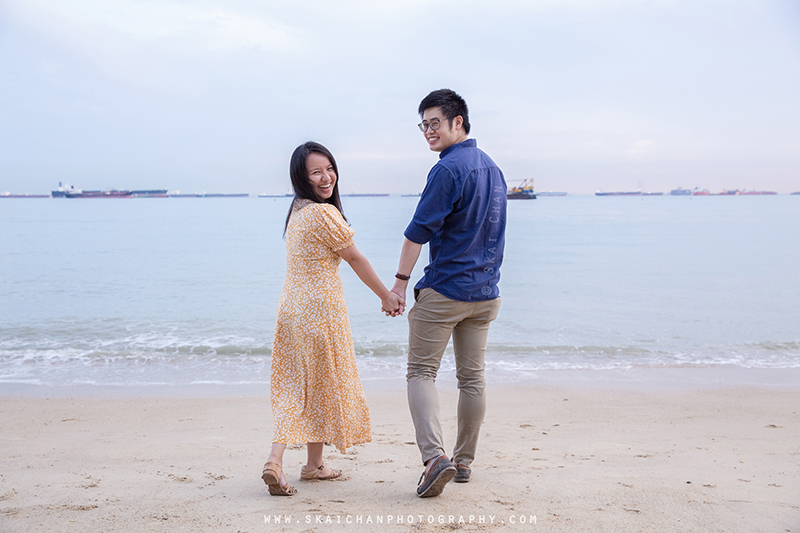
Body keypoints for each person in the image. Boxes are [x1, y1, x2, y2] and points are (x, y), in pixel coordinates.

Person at [261, 141, 405, 496]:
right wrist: (387, 295)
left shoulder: (297, 210)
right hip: (320, 311)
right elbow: (355, 259)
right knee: (321, 383)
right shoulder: (324, 214)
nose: (326, 177)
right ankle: (280, 460)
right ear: (302, 177)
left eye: (329, 168)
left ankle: (307, 465)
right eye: (316, 172)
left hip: (291, 308)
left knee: (299, 384)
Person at [390, 89, 507, 498]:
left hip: (446, 290)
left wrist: (400, 283)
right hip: (486, 293)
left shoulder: (448, 170)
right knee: (472, 379)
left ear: (459, 122)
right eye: (424, 125)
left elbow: (416, 233)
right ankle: (463, 462)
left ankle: (434, 458)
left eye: (435, 122)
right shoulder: (493, 168)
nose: (428, 131)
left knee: (420, 372)